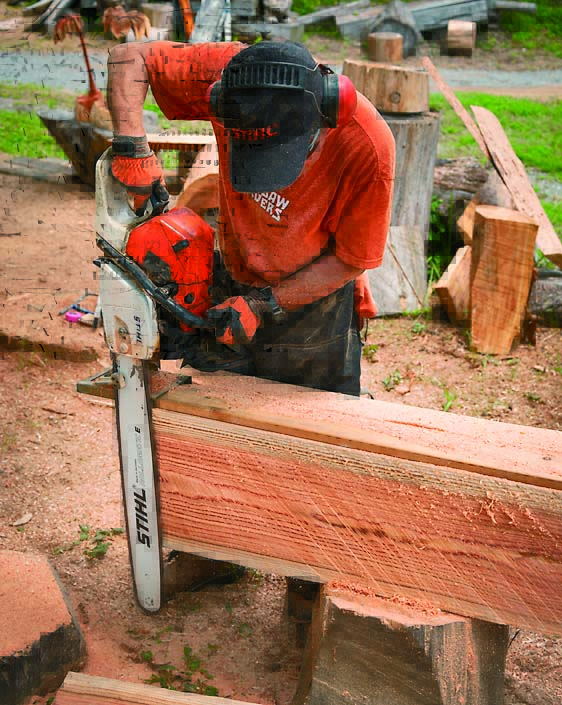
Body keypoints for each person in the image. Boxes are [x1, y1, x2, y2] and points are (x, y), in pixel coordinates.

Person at [107, 40, 395, 397]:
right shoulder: (224, 72)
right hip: (235, 266)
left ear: (328, 113)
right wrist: (132, 146)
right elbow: (128, 57)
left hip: (315, 296)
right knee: (208, 403)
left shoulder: (367, 145)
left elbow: (351, 260)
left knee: (311, 413)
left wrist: (263, 304)